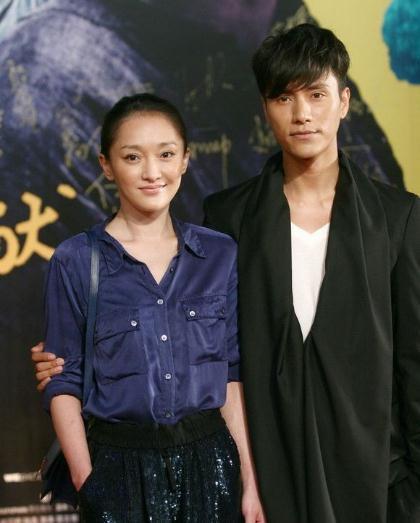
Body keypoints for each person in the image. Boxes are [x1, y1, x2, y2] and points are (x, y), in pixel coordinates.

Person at [33, 24, 420, 522]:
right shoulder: (228, 218)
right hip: (268, 471)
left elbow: (413, 360)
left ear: (344, 101)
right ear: (265, 107)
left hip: (372, 474)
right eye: (284, 97)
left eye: (316, 95)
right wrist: (67, 358)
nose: (302, 114)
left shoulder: (397, 217)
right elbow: (213, 347)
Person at [37, 93, 265, 522]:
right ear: (107, 165)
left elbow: (230, 373)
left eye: (166, 154)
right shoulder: (75, 260)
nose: (152, 172)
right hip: (117, 468)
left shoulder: (218, 254)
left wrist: (251, 483)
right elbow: (63, 380)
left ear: (185, 160)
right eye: (132, 157)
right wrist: (90, 482)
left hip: (210, 464)